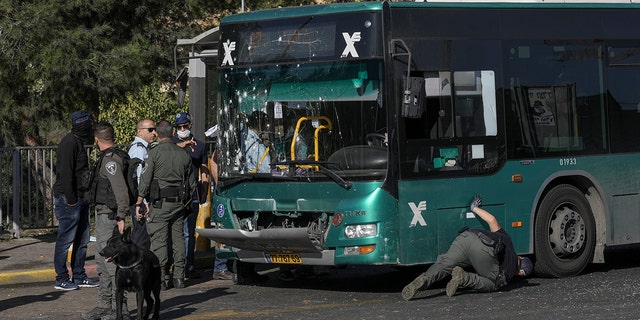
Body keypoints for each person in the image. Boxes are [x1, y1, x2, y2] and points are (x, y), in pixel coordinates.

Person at [401, 195, 534, 301]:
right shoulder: (511, 271)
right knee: (494, 283)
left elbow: (492, 220)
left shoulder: (508, 240)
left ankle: (423, 279)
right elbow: (498, 276)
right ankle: (464, 278)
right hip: (484, 249)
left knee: (445, 263)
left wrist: (474, 207)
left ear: (520, 257)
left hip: (467, 236)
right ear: (520, 272)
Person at [135, 120, 195, 290]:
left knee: (159, 241)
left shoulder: (153, 154)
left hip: (160, 204)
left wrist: (139, 202)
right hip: (178, 204)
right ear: (172, 133)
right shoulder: (183, 154)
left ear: (158, 134)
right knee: (178, 240)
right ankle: (179, 277)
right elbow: (191, 183)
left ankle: (161, 278)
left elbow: (145, 181)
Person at [82, 122, 130, 320]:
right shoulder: (108, 158)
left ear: (96, 140)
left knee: (112, 265)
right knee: (102, 263)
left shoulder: (111, 161)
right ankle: (104, 305)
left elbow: (121, 191)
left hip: (111, 217)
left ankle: (121, 309)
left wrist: (121, 216)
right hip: (104, 216)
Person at [52, 110, 99, 291]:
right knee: (66, 240)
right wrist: (71, 199)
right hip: (69, 199)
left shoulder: (77, 141)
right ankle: (62, 278)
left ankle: (79, 275)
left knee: (82, 238)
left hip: (80, 197)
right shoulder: (69, 143)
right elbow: (66, 173)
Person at [172, 112, 215, 280]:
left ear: (190, 124)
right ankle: (175, 264)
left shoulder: (200, 145)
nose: (182, 129)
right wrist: (183, 145)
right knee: (175, 232)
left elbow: (204, 169)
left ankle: (189, 265)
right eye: (179, 127)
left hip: (193, 193)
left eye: (185, 125)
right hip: (174, 193)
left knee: (189, 232)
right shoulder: (172, 143)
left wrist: (204, 190)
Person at [127, 119, 156, 251]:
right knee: (141, 235)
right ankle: (137, 265)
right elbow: (140, 178)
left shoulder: (144, 148)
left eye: (154, 129)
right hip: (139, 198)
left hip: (140, 197)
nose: (154, 133)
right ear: (139, 132)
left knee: (143, 234)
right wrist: (143, 201)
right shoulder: (139, 149)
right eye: (150, 130)